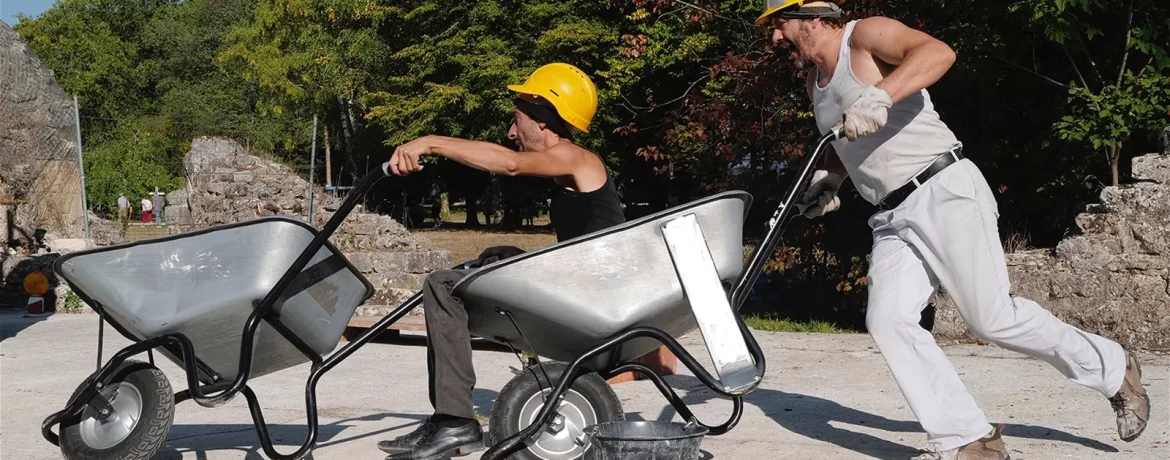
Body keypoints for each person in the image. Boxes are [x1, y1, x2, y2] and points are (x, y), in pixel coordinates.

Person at [756, 1, 1150, 459]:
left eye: (780, 24)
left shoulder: (864, 36)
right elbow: (842, 139)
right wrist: (831, 181)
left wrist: (881, 94)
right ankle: (968, 440)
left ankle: (1114, 367)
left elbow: (938, 53)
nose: (776, 38)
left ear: (813, 15)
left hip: (941, 188)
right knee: (888, 320)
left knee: (991, 318)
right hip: (889, 214)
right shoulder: (814, 83)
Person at [376, 62, 625, 460]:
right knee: (451, 282)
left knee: (443, 285)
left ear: (544, 119)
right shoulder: (569, 170)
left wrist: (430, 141)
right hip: (582, 291)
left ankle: (454, 421)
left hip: (593, 302)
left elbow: (508, 163)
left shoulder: (579, 159)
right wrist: (521, 258)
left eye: (517, 118)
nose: (512, 132)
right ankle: (449, 419)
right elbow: (583, 250)